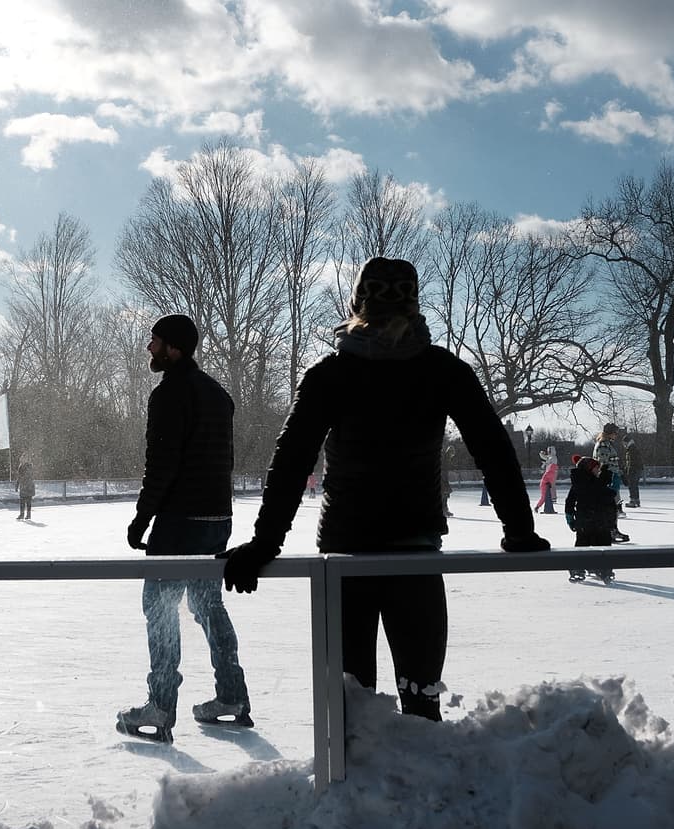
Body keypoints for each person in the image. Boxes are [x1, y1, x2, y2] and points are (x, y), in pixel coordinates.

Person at [218, 258, 549, 724]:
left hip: (345, 552)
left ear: (357, 304)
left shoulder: (332, 373)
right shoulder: (442, 371)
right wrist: (518, 528)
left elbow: (292, 459)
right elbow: (492, 448)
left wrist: (266, 541)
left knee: (350, 712)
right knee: (421, 704)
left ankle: (355, 766)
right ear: (415, 306)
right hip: (414, 550)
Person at [118, 313, 251, 743]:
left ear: (174, 348)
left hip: (180, 523)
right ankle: (231, 696)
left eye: (155, 341)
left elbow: (161, 465)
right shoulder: (218, 394)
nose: (150, 348)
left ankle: (160, 706)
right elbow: (225, 461)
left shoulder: (169, 394)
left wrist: (142, 518)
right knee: (208, 605)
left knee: (160, 608)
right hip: (217, 518)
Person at [563, 455, 616, 583]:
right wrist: (570, 517)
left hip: (599, 521)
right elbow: (570, 502)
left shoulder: (597, 482)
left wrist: (611, 520)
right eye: (596, 468)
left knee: (603, 545)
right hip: (585, 521)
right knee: (583, 546)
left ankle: (603, 569)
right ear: (589, 469)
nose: (598, 471)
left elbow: (608, 499)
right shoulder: (583, 483)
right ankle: (578, 569)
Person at [592, 422, 629, 540]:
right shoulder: (603, 444)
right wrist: (606, 478)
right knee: (611, 506)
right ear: (610, 433)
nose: (616, 435)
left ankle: (613, 529)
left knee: (613, 505)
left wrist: (621, 474)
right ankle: (610, 531)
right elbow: (603, 463)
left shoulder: (607, 444)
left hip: (613, 476)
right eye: (615, 433)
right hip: (609, 478)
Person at [533, 446, 558, 514]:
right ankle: (538, 507)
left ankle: (548, 508)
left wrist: (545, 462)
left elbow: (547, 459)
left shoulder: (552, 459)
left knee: (547, 496)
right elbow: (547, 458)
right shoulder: (551, 469)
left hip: (546, 482)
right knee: (544, 497)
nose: (548, 452)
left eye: (549, 451)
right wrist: (541, 455)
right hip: (545, 483)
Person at [622, 433, 644, 508]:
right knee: (635, 485)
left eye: (624, 443)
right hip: (637, 469)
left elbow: (631, 461)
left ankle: (633, 501)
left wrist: (628, 471)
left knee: (632, 485)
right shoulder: (633, 447)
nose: (624, 445)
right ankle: (637, 500)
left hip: (634, 469)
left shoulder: (631, 449)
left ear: (627, 442)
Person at [16, 454, 35, 520]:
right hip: (23, 486)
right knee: (22, 501)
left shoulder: (29, 466)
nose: (22, 459)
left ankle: (28, 515)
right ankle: (22, 514)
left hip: (28, 486)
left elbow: (29, 476)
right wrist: (17, 485)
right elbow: (19, 477)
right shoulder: (20, 466)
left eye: (23, 458)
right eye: (21, 458)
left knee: (28, 501)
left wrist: (25, 482)